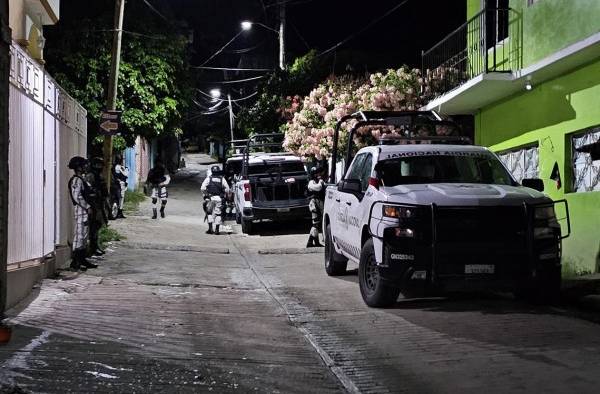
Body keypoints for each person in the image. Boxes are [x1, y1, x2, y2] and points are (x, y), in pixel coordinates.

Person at [67, 156, 98, 271]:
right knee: (80, 235)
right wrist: (87, 206)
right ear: (78, 167)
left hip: (84, 211)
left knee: (84, 235)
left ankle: (81, 259)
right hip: (81, 211)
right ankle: (76, 261)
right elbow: (77, 197)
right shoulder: (76, 180)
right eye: (83, 165)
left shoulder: (81, 179)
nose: (85, 167)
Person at [85, 157, 109, 257]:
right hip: (93, 204)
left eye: (100, 165)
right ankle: (92, 247)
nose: (99, 167)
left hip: (99, 204)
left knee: (97, 225)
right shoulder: (90, 176)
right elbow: (88, 191)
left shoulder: (99, 176)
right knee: (93, 227)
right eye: (97, 165)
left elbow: (104, 190)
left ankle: (95, 246)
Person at [201, 165, 230, 235]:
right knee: (218, 214)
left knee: (209, 213)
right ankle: (217, 230)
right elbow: (227, 189)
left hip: (210, 198)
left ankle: (210, 229)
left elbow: (202, 188)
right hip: (219, 198)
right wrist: (223, 194)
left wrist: (206, 194)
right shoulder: (222, 179)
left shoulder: (208, 179)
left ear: (212, 171)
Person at [307, 166, 326, 248]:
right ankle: (314, 242)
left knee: (317, 223)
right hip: (314, 203)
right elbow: (318, 188)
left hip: (320, 203)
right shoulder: (311, 182)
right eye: (317, 173)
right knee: (316, 223)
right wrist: (321, 182)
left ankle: (311, 242)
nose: (319, 174)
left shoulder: (319, 181)